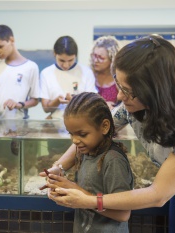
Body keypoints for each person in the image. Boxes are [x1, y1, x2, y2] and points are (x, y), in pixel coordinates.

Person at [45, 36, 175, 233]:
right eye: (119, 84)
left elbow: (158, 195)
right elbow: (94, 132)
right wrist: (58, 167)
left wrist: (87, 200)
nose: (119, 97)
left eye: (129, 91)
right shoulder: (132, 106)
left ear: (155, 92)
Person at [44, 92, 133, 232]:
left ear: (104, 126)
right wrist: (57, 171)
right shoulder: (84, 152)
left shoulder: (113, 160)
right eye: (71, 133)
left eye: (82, 134)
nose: (74, 140)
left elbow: (123, 214)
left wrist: (75, 190)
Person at [0, 24, 40, 119]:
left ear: (11, 40)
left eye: (0, 46)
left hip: (20, 125)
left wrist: (19, 104)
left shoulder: (31, 67)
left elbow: (35, 100)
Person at [40, 35, 97, 119]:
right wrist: (57, 101)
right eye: (61, 60)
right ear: (54, 53)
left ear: (76, 56)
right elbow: (46, 108)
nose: (66, 65)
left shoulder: (86, 72)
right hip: (55, 122)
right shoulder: (46, 73)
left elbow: (92, 104)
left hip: (80, 122)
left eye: (70, 60)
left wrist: (75, 101)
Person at [91, 36, 119, 109]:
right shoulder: (88, 75)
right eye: (94, 56)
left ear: (112, 59)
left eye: (101, 58)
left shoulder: (118, 79)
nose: (95, 60)